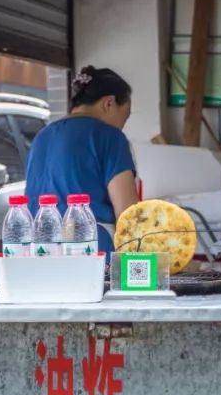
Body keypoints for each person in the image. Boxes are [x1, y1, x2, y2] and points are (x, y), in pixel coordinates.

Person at [25, 66, 138, 255]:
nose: (122, 125)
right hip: (91, 252)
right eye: (124, 116)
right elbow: (128, 214)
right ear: (109, 103)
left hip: (39, 251)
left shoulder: (42, 136)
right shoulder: (110, 137)